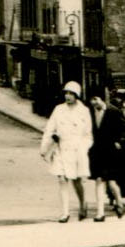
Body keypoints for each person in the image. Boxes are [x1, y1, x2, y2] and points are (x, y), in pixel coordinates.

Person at [39, 81, 94, 222]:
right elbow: (49, 129)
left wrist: (83, 148)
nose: (68, 96)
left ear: (77, 95)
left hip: (77, 150)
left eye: (71, 94)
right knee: (62, 179)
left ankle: (83, 204)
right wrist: (44, 148)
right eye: (66, 93)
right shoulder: (58, 109)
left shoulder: (84, 111)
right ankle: (65, 212)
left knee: (76, 181)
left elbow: (88, 135)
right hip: (61, 148)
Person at [88, 94, 125, 220]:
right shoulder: (90, 113)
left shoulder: (113, 111)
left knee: (110, 182)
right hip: (97, 151)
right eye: (91, 99)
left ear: (102, 99)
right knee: (99, 180)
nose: (93, 102)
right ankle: (100, 213)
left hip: (110, 152)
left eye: (95, 99)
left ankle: (119, 201)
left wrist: (119, 140)